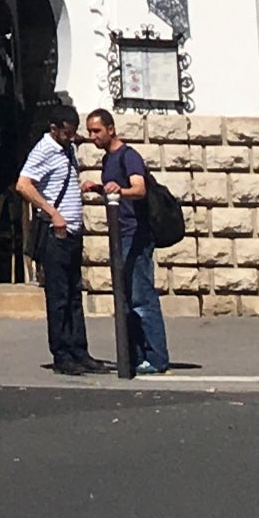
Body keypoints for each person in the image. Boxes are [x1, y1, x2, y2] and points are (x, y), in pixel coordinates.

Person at [13, 101, 101, 375]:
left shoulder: (67, 148)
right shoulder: (44, 150)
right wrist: (52, 212)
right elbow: (23, 184)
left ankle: (79, 350)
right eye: (67, 133)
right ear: (54, 129)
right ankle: (61, 354)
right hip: (55, 234)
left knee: (75, 293)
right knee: (59, 295)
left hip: (73, 232)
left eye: (73, 133)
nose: (71, 137)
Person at [87, 108, 171, 379]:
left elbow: (139, 188)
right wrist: (100, 189)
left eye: (97, 131)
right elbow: (116, 188)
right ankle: (135, 356)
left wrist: (118, 191)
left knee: (142, 298)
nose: (92, 137)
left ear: (111, 129)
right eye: (90, 131)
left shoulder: (128, 156)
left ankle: (156, 357)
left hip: (135, 236)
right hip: (119, 235)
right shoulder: (107, 160)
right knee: (125, 299)